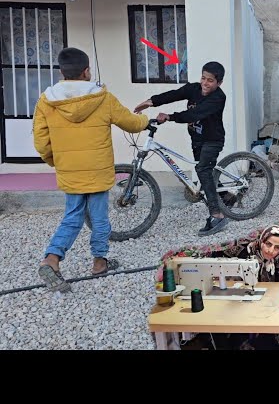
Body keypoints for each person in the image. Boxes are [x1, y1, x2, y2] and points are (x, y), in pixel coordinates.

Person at [33, 47, 149, 292]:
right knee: (99, 217)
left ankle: (52, 259)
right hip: (97, 170)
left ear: (62, 72)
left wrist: (56, 161)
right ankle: (99, 263)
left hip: (69, 169)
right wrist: (148, 120)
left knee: (72, 216)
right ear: (86, 72)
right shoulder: (102, 97)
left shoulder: (47, 100)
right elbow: (131, 122)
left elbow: (41, 141)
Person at [134, 61, 229, 237]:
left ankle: (217, 215)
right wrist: (150, 102)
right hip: (197, 139)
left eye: (210, 80)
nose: (205, 83)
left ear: (219, 83)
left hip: (212, 140)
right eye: (203, 78)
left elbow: (194, 114)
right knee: (204, 171)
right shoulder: (194, 89)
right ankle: (226, 196)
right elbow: (174, 94)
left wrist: (169, 117)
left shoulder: (218, 98)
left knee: (203, 169)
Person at [208, 225, 279, 350]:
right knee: (219, 324)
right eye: (268, 244)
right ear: (261, 240)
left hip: (266, 307)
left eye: (277, 247)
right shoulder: (243, 251)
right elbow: (214, 258)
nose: (271, 250)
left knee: (267, 339)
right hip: (239, 303)